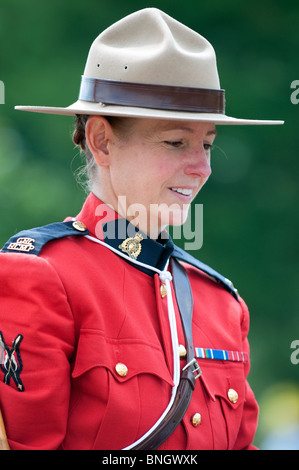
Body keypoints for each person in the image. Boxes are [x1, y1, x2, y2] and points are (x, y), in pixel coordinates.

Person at [0, 8, 283, 450]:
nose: (202, 167)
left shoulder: (222, 304)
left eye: (207, 143)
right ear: (101, 140)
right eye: (175, 142)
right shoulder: (40, 277)